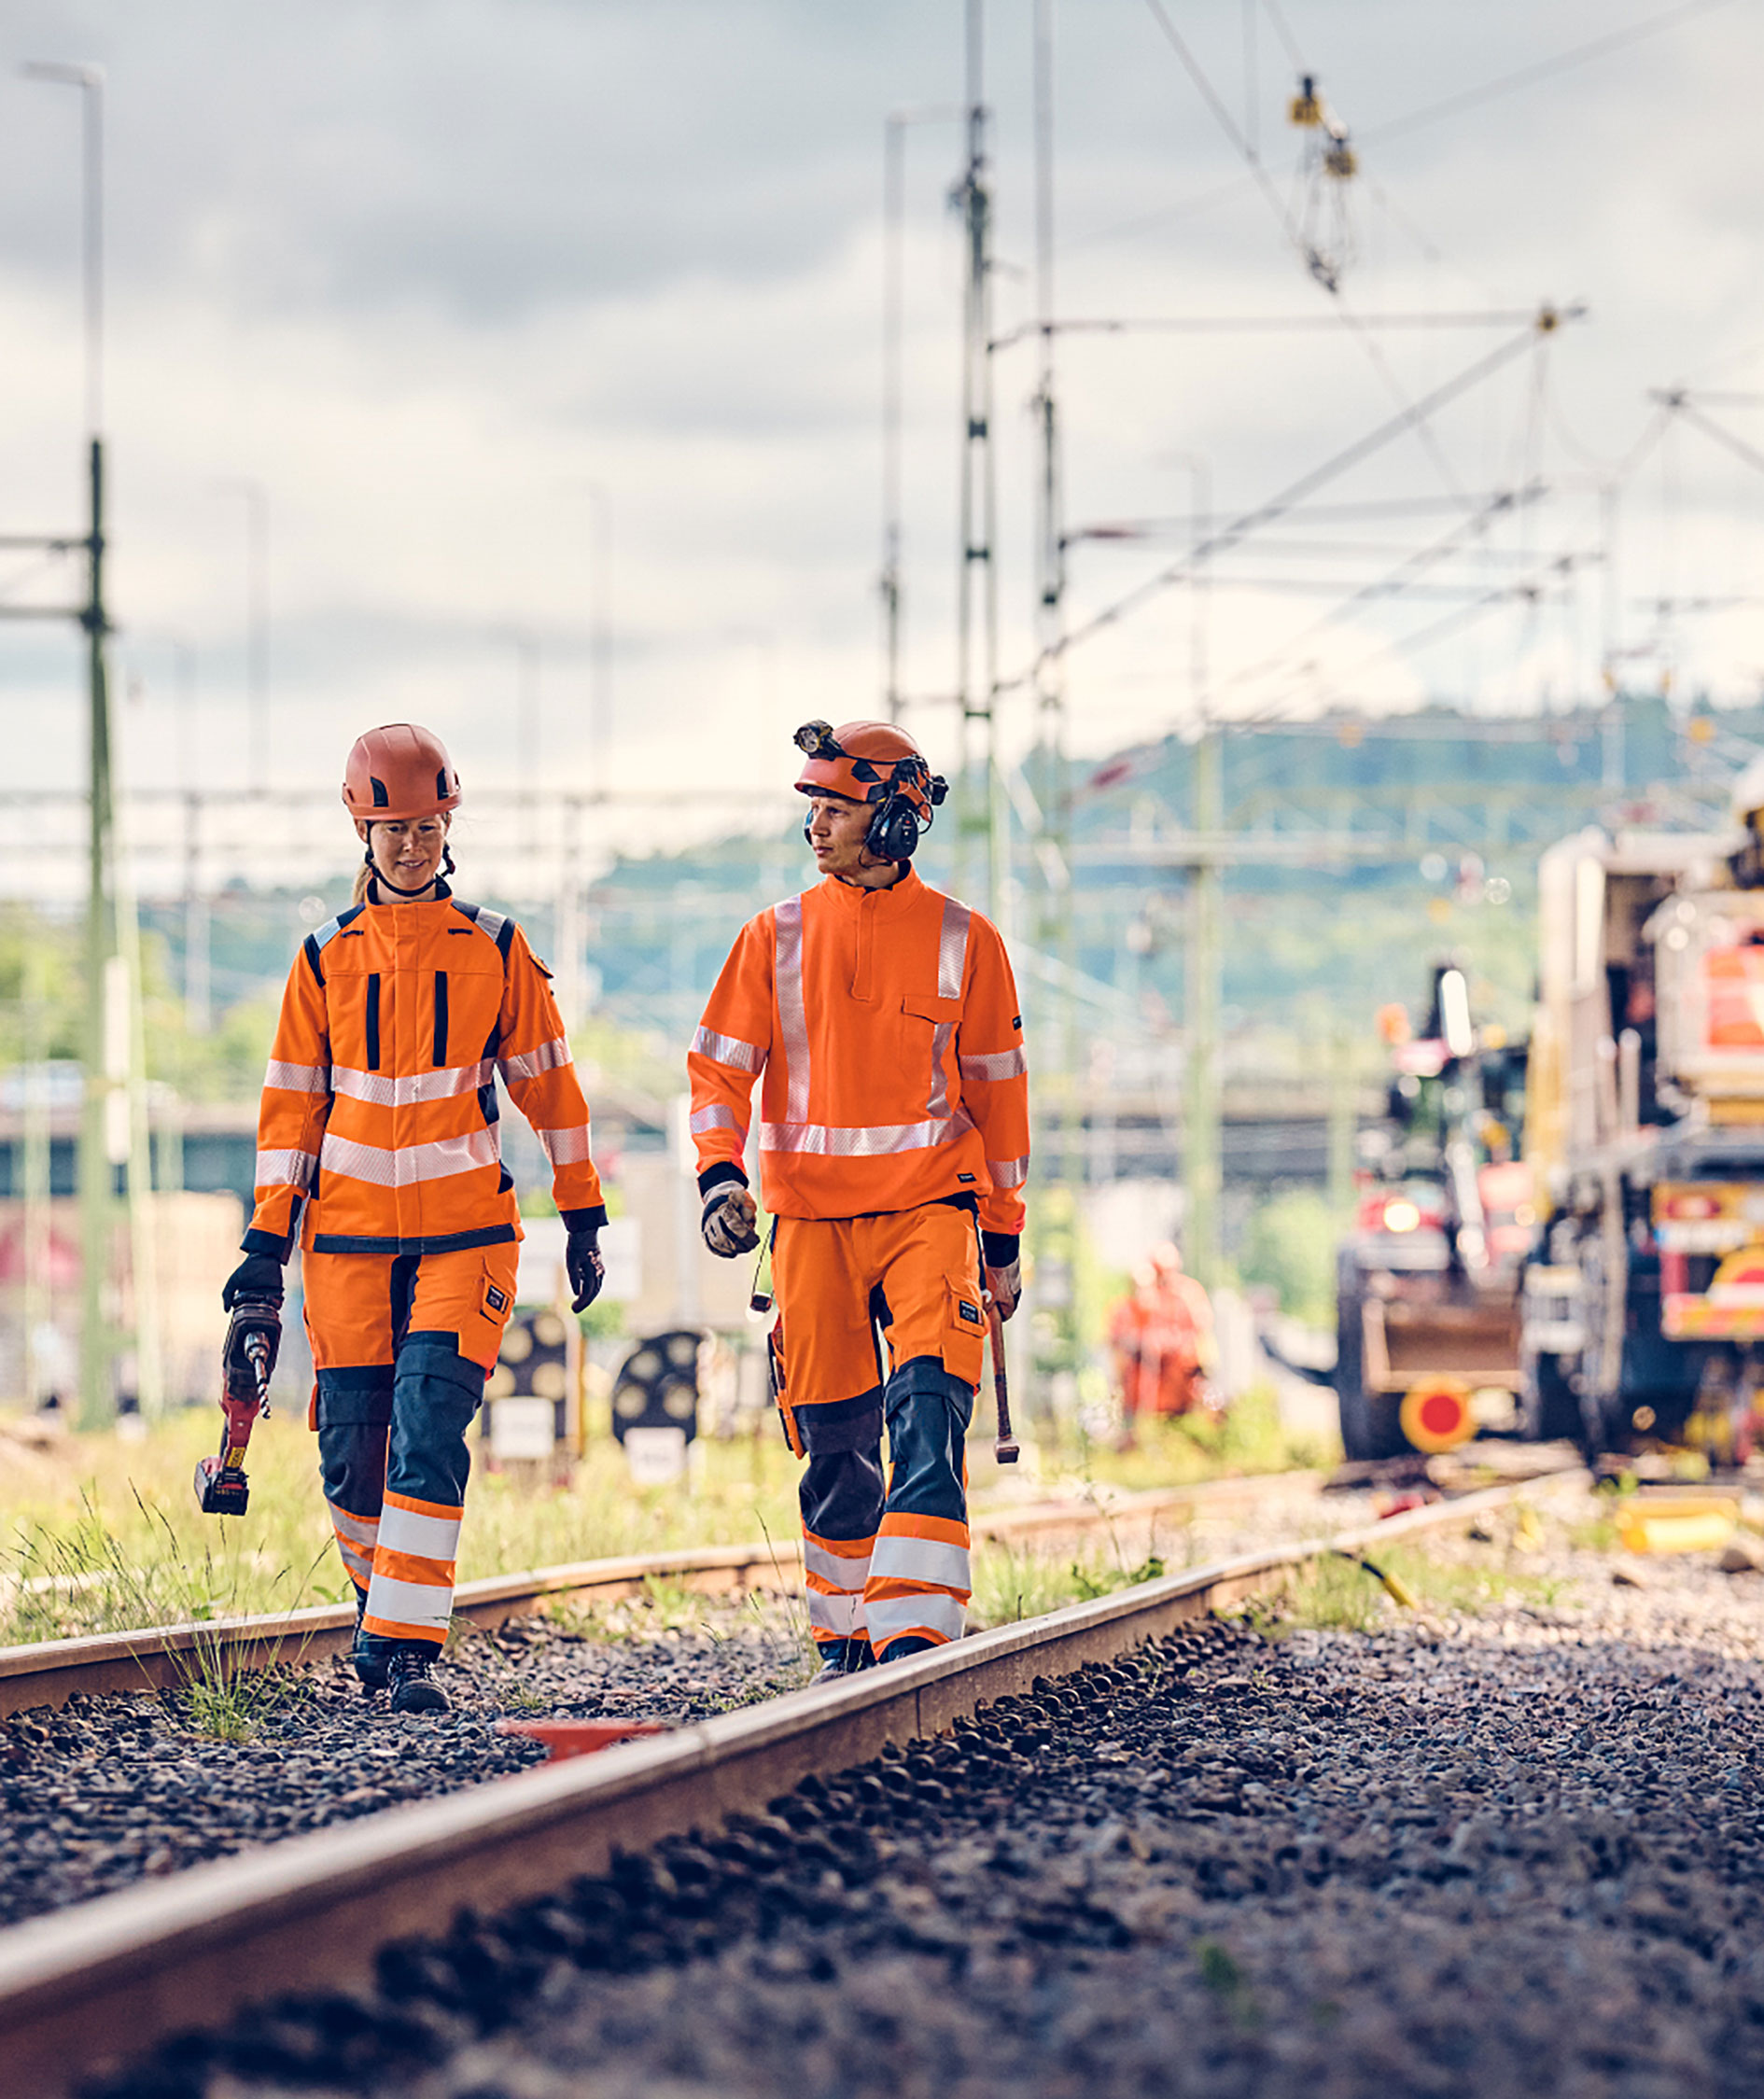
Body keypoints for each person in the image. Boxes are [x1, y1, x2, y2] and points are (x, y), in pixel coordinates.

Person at [220, 723, 608, 1714]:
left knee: (430, 1426)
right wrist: (265, 1248)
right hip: (343, 1245)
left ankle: (402, 1647)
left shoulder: (496, 948)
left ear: (450, 823)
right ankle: (379, 1602)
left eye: (430, 824)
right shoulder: (321, 961)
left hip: (466, 1238)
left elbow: (553, 1094)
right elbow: (289, 1115)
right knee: (352, 1451)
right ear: (360, 823)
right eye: (393, 826)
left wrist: (583, 1212)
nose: (412, 844)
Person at [690, 719, 1029, 1683]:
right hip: (808, 1225)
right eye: (812, 807)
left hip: (932, 1214)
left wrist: (1001, 1238)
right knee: (834, 1439)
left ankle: (915, 1633)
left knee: (930, 1412)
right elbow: (717, 1072)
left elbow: (1001, 1107)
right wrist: (722, 1172)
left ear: (896, 820)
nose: (818, 826)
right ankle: (844, 1640)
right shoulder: (774, 937)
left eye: (835, 808)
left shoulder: (970, 941)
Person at [1109, 1240, 1215, 1440]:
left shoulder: (1189, 1292)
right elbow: (1126, 1335)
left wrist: (1172, 1340)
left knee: (1193, 1416)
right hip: (1153, 1378)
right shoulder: (1145, 1299)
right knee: (1149, 1419)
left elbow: (1200, 1325)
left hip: (1186, 1371)